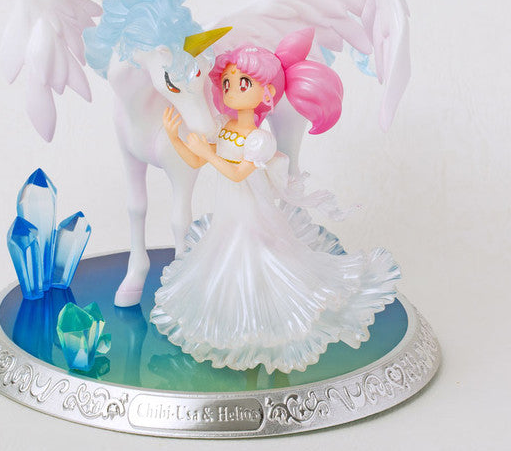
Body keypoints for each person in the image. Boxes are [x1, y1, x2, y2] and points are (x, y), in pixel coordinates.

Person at [150, 29, 400, 374]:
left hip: (252, 213)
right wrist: (175, 138)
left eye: (243, 83)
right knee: (224, 264)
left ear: (266, 93)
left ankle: (266, 322)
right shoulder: (222, 126)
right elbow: (195, 160)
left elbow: (236, 173)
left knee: (256, 260)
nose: (231, 90)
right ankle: (235, 322)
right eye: (227, 83)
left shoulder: (259, 140)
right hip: (228, 213)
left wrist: (206, 153)